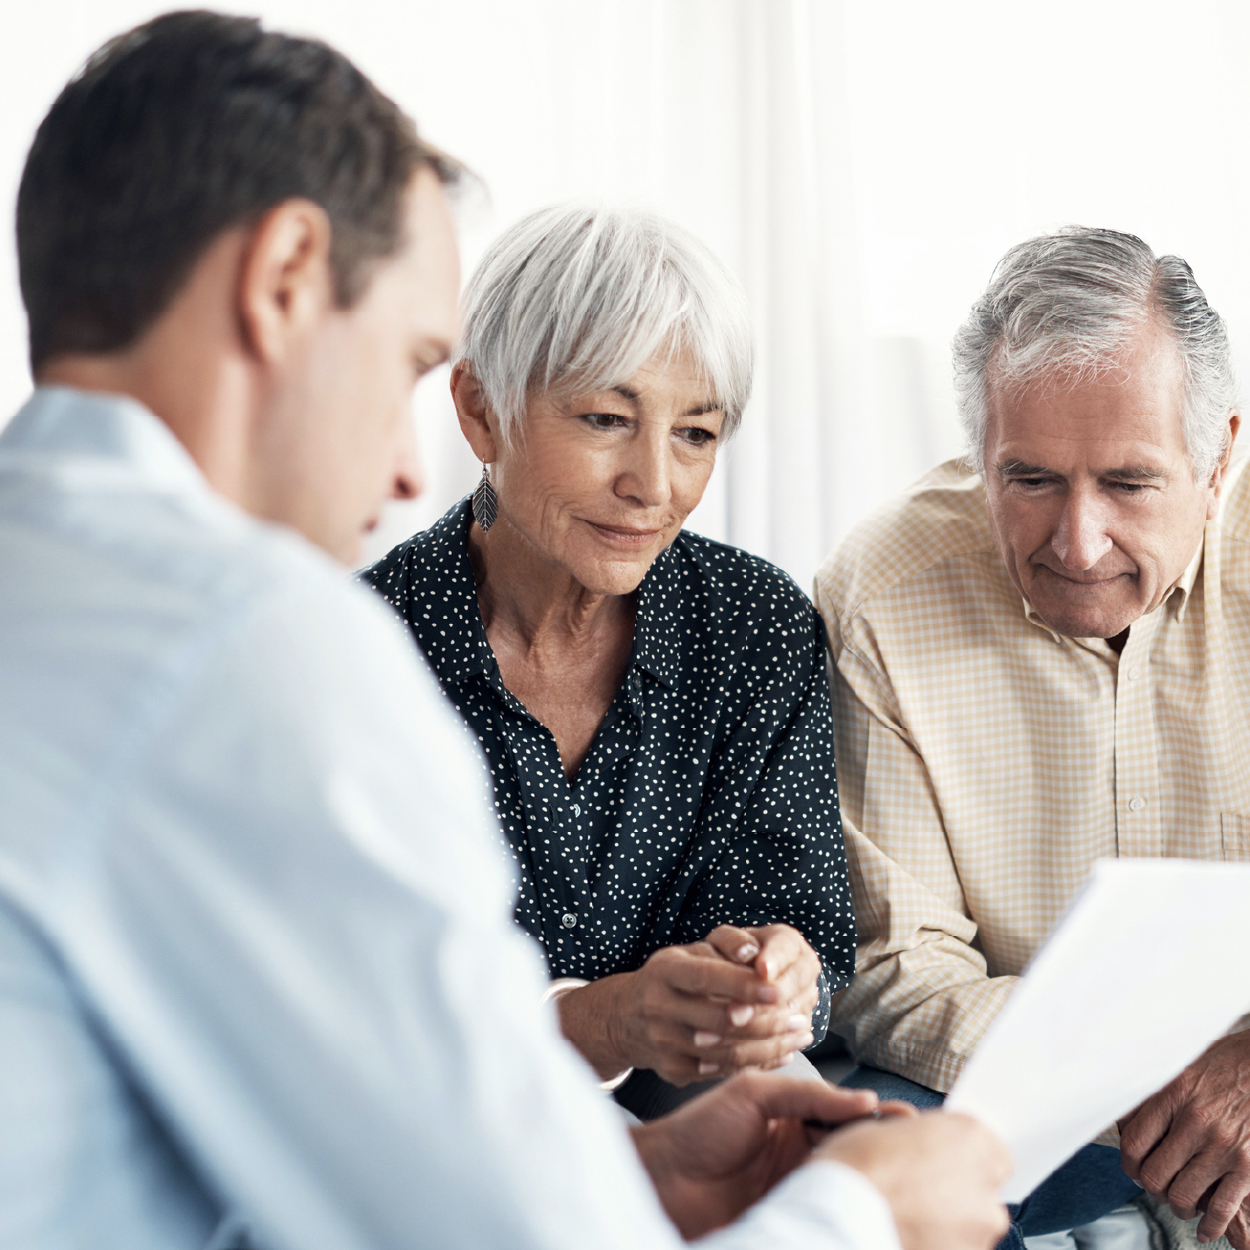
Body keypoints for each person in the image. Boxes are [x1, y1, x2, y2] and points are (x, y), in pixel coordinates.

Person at [0, 10, 1012, 1250]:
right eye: (407, 362)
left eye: (695, 430)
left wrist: (632, 1169)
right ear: (283, 279)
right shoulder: (256, 646)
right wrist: (867, 1209)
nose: (400, 465)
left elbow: (312, 1126)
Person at [360, 204, 853, 1117]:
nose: (653, 485)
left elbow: (804, 925)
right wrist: (604, 1022)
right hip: (435, 1124)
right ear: (480, 411)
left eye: (695, 433)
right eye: (605, 418)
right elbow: (356, 1008)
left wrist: (779, 976)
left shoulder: (755, 626)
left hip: (700, 1103)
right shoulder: (362, 650)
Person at [815, 227, 1250, 1248]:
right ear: (980, 456)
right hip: (1025, 1116)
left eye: (1129, 483)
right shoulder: (882, 595)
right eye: (1031, 479)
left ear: (1218, 456)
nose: (1077, 543)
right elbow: (899, 971)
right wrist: (1157, 1084)